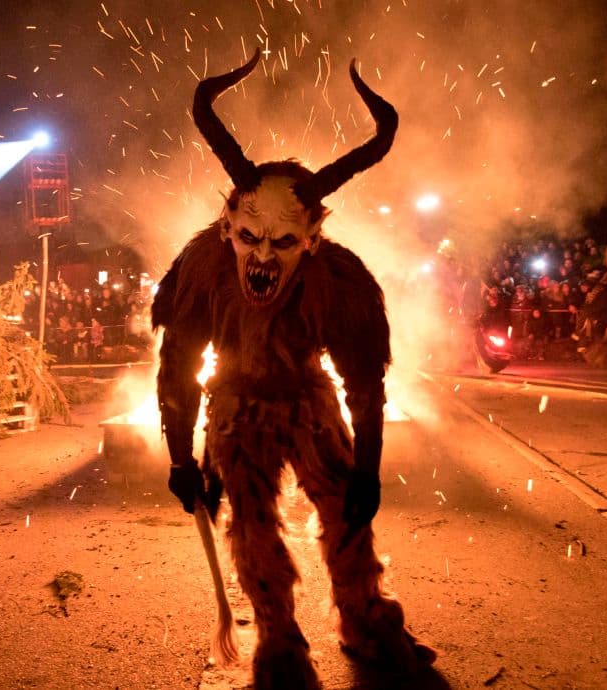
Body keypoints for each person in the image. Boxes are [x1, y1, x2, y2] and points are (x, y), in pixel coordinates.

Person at [152, 51, 434, 689]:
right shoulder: (203, 268)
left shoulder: (338, 281)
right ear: (228, 226)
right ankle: (279, 642)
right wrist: (182, 456)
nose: (261, 259)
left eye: (282, 243)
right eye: (249, 237)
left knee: (346, 516)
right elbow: (178, 362)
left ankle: (366, 620)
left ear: (311, 239)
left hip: (310, 402)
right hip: (234, 405)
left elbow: (364, 379)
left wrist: (367, 467)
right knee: (251, 532)